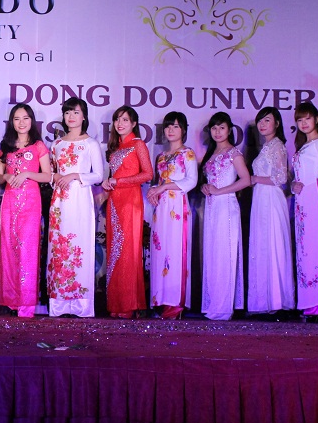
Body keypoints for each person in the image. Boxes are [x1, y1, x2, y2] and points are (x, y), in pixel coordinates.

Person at [46, 97, 104, 318]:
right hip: (60, 201)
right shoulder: (56, 144)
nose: (71, 116)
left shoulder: (90, 144)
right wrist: (56, 177)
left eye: (76, 112)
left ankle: (81, 304)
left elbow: (98, 175)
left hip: (80, 199)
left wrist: (74, 175)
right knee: (58, 247)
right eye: (68, 112)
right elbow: (51, 173)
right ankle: (59, 304)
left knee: (80, 246)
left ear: (84, 116)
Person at [0, 103, 52, 317]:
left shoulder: (38, 146)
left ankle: (26, 304)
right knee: (9, 248)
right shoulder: (6, 145)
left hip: (30, 202)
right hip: (10, 201)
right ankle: (11, 301)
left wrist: (27, 174)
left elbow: (47, 176)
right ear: (12, 122)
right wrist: (6, 176)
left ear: (32, 121)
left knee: (28, 250)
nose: (21, 122)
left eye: (25, 118)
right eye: (17, 118)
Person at [100, 105, 153, 318]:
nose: (120, 123)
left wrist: (118, 181)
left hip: (130, 201)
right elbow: (115, 176)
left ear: (134, 124)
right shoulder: (116, 148)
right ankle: (117, 304)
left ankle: (129, 305)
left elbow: (148, 174)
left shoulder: (138, 144)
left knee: (128, 251)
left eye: (125, 120)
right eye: (117, 119)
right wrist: (108, 182)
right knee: (115, 251)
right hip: (115, 202)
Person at [145, 111, 198, 319]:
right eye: (168, 126)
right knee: (160, 251)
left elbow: (191, 181)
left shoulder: (188, 153)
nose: (171, 130)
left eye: (175, 126)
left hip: (178, 206)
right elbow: (158, 183)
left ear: (183, 130)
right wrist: (154, 192)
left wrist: (164, 187)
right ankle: (159, 300)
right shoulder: (161, 156)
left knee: (175, 252)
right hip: (161, 209)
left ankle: (175, 303)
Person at [199, 112, 250, 320]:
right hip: (212, 207)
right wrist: (205, 187)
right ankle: (214, 303)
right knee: (213, 254)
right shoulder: (211, 153)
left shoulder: (234, 153)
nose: (217, 132)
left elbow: (246, 180)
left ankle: (223, 307)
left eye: (222, 127)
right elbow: (210, 181)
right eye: (214, 128)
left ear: (229, 130)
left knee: (224, 253)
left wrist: (220, 191)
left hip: (227, 206)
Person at [247, 107, 295, 316]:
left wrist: (255, 179)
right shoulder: (267, 146)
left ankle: (277, 301)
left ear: (277, 123)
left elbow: (281, 178)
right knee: (263, 245)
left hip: (272, 199)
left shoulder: (278, 146)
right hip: (261, 198)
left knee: (273, 244)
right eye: (260, 120)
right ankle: (263, 302)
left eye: (267, 120)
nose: (262, 124)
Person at [291, 102, 318, 321]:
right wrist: (294, 185)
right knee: (304, 251)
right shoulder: (302, 147)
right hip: (301, 202)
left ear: (316, 119)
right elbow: (297, 177)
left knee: (316, 249)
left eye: (307, 118)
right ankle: (307, 302)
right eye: (300, 120)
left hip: (315, 199)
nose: (304, 123)